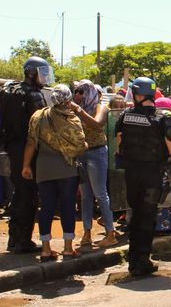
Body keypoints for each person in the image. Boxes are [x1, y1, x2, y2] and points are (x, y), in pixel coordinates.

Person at [115, 77, 171, 276]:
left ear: (137, 94)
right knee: (147, 217)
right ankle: (142, 261)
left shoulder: (125, 116)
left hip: (132, 174)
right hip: (152, 174)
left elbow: (119, 142)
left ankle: (133, 260)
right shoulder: (162, 117)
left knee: (135, 214)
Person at [23, 84, 87, 261]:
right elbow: (81, 145)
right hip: (67, 169)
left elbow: (31, 143)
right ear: (68, 99)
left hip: (44, 168)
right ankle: (68, 248)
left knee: (46, 208)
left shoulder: (38, 116)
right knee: (68, 207)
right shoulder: (72, 119)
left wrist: (26, 165)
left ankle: (45, 249)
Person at [0, 56, 51, 254]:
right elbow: (39, 126)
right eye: (41, 73)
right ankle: (23, 240)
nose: (44, 77)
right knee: (28, 195)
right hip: (28, 148)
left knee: (18, 192)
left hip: (11, 147)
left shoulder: (9, 90)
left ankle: (14, 238)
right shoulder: (33, 95)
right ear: (32, 73)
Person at [71, 80, 117, 248]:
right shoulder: (76, 109)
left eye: (81, 92)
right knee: (85, 196)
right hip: (81, 154)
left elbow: (97, 124)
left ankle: (110, 233)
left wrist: (79, 111)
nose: (77, 95)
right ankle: (87, 233)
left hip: (96, 153)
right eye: (76, 92)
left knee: (100, 194)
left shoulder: (101, 107)